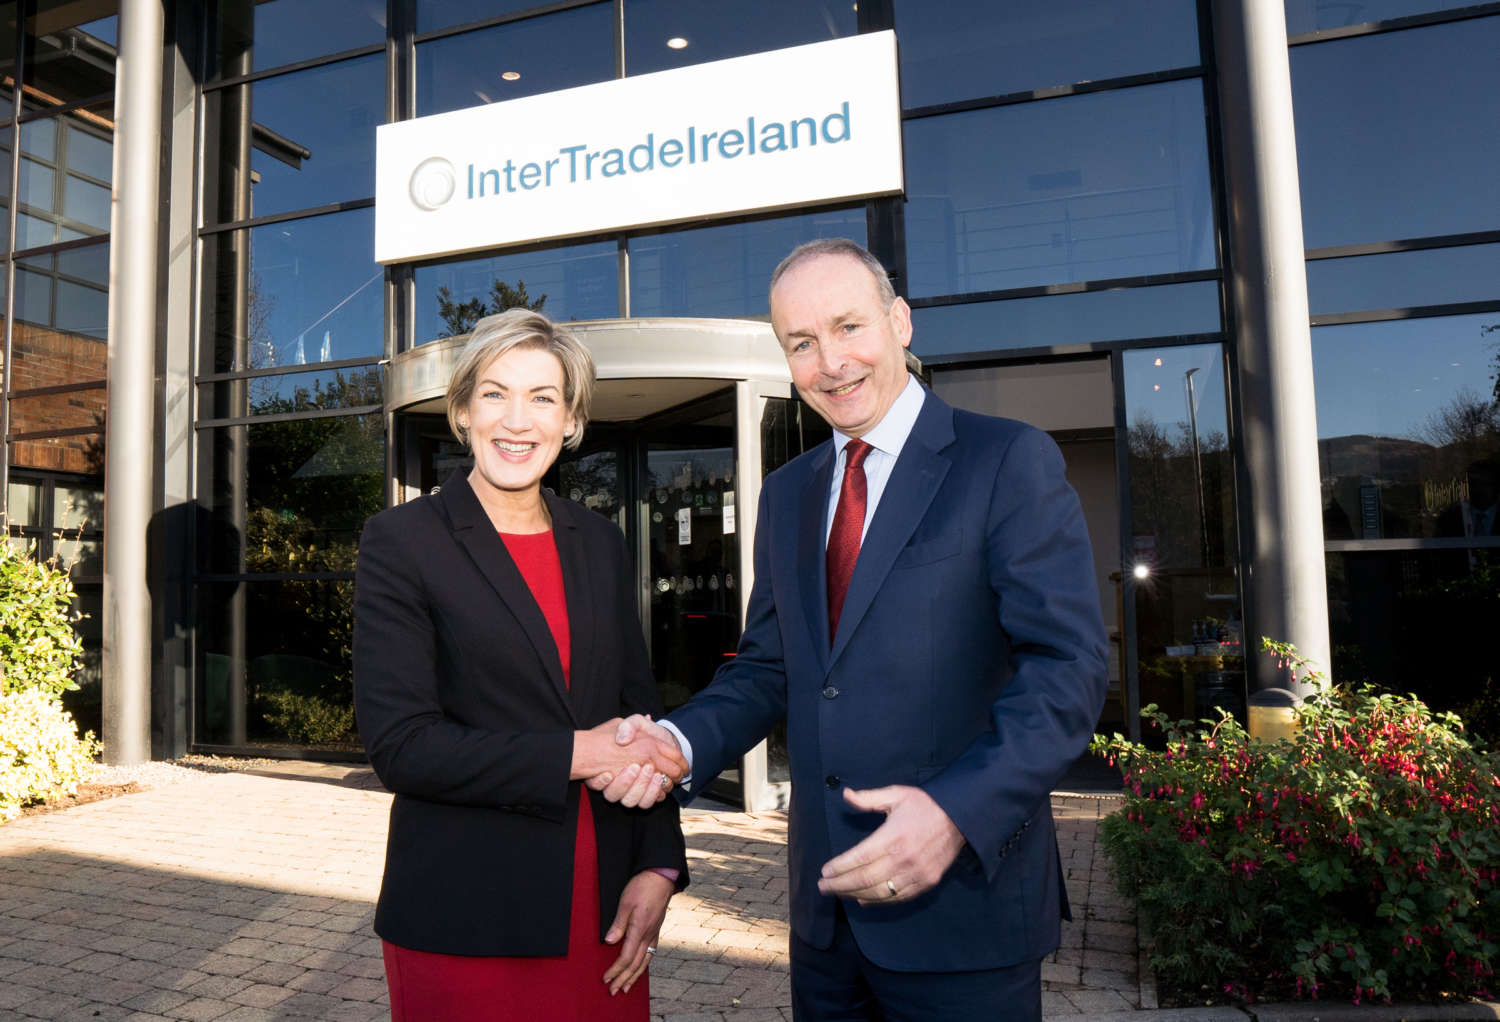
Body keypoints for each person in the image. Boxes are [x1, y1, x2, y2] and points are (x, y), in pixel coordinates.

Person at [600, 240, 1108, 1021]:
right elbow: (770, 667)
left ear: (900, 322)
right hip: (826, 919)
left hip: (964, 913)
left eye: (848, 327)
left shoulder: (1004, 459)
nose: (830, 361)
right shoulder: (790, 492)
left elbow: (1067, 671)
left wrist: (955, 815)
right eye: (801, 343)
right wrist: (681, 742)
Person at [353, 309, 690, 1022]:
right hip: (466, 915)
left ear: (569, 420)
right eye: (497, 393)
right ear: (463, 410)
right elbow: (403, 747)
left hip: (603, 913)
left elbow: (639, 715)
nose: (519, 419)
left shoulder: (598, 541)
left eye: (543, 397)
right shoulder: (403, 541)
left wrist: (659, 866)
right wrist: (579, 752)